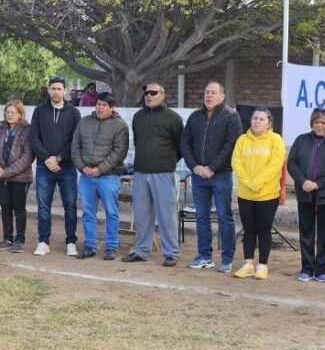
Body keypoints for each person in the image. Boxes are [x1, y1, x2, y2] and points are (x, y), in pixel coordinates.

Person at [180, 82, 243, 273]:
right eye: (206, 92)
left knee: (224, 217)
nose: (209, 95)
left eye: (213, 92)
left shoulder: (231, 116)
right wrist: (195, 166)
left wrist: (212, 168)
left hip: (221, 175)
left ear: (222, 97)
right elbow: (185, 143)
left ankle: (227, 258)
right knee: (202, 217)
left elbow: (231, 145)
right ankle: (204, 256)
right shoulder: (194, 117)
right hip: (199, 176)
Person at [122, 82, 183, 267]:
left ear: (163, 95)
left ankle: (171, 253)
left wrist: (166, 161)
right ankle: (141, 250)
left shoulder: (173, 118)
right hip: (140, 173)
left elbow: (180, 147)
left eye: (153, 92)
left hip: (163, 173)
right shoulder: (138, 117)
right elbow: (138, 141)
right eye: (146, 92)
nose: (148, 95)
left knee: (167, 216)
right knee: (141, 215)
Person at [287, 109, 325, 282]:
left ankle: (321, 270)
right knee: (305, 231)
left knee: (323, 233)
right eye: (317, 122)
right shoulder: (301, 140)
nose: (320, 126)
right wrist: (303, 181)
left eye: (323, 123)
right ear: (312, 123)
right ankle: (306, 268)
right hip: (305, 193)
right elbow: (292, 163)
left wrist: (318, 183)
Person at [71, 92, 129, 261]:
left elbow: (119, 152)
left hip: (109, 177)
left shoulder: (120, 126)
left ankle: (111, 247)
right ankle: (90, 245)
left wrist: (100, 169)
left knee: (111, 213)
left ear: (112, 107)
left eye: (104, 105)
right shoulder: (84, 122)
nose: (100, 107)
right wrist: (83, 167)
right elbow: (75, 147)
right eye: (98, 104)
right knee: (88, 213)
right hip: (86, 177)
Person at [231, 108, 286, 280]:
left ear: (269, 123)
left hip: (267, 195)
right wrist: (249, 183)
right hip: (245, 194)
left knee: (263, 230)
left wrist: (257, 183)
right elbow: (236, 162)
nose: (257, 121)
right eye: (255, 118)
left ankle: (262, 265)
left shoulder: (276, 140)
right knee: (248, 230)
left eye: (262, 119)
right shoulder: (242, 140)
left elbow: (275, 165)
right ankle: (248, 264)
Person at [30, 75, 81, 257]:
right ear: (49, 90)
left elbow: (75, 140)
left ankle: (70, 242)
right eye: (53, 88)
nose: (56, 91)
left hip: (67, 168)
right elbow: (34, 137)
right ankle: (43, 241)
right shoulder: (39, 111)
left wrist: (58, 158)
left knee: (70, 206)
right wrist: (47, 158)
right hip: (44, 168)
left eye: (59, 88)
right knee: (43, 206)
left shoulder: (73, 112)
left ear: (64, 91)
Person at [0, 100, 34, 253]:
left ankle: (19, 240)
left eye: (13, 112)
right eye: (7, 112)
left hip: (20, 177)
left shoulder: (27, 130)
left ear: (20, 114)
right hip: (1, 176)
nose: (9, 115)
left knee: (19, 209)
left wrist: (6, 172)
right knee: (5, 208)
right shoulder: (1, 128)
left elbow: (27, 157)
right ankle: (8, 238)